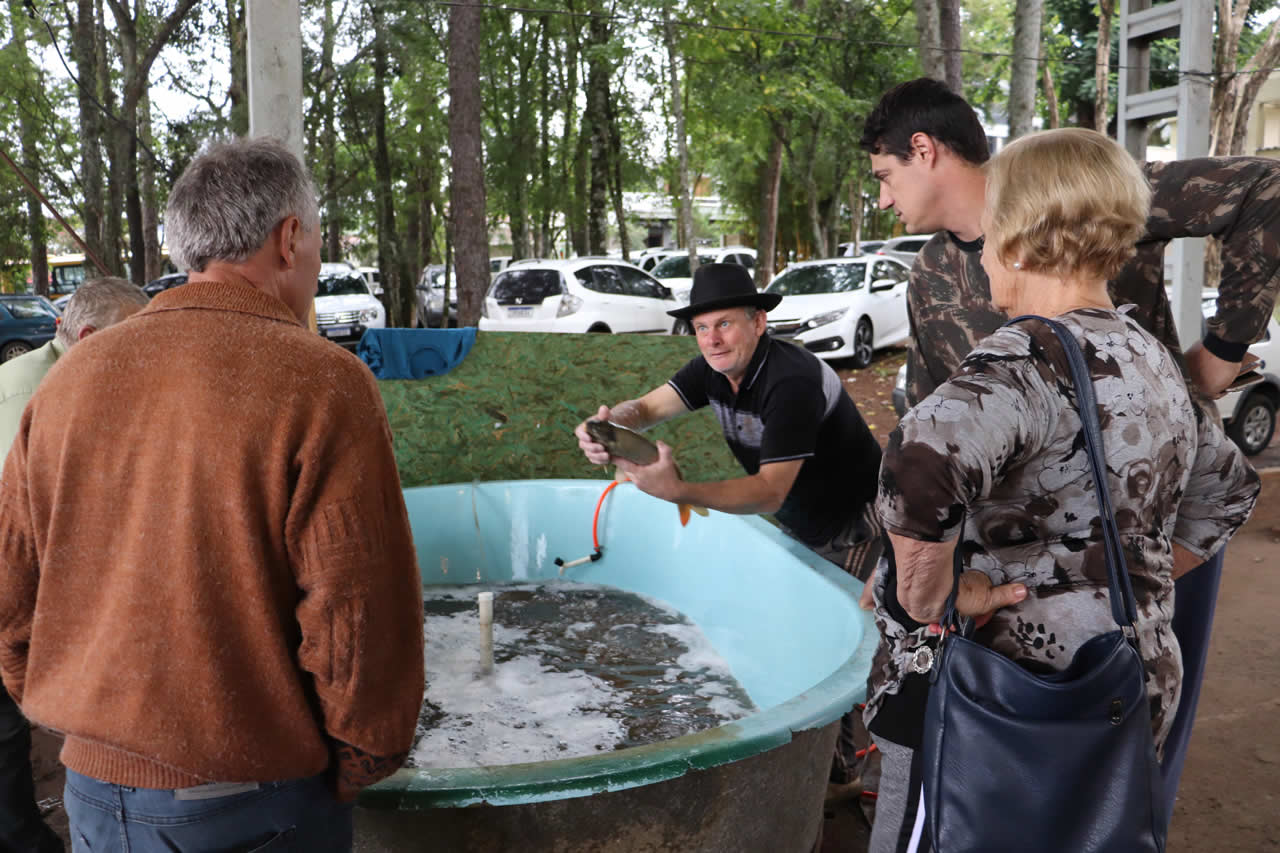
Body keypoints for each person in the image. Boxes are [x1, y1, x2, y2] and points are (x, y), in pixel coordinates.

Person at [858, 76, 1280, 833]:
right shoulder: (1146, 354)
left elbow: (918, 461)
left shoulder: (1023, 356)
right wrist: (1122, 562)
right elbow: (1224, 492)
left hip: (1012, 685)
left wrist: (929, 595)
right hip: (1130, 658)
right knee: (1102, 817)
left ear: (1015, 232)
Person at [0, 137, 425, 852]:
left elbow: (11, 592)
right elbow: (358, 617)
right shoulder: (324, 383)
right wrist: (359, 761)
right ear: (290, 239)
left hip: (94, 800)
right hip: (257, 805)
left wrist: (79, 718)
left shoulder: (69, 378)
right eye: (316, 238)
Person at [574, 262, 884, 789]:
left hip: (862, 526)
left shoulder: (792, 381)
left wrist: (682, 492)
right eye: (701, 327)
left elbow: (769, 491)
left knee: (854, 657)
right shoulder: (711, 369)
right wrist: (610, 427)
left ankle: (854, 784)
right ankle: (826, 780)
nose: (712, 339)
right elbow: (647, 406)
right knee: (805, 646)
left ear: (759, 322)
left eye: (725, 324)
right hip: (802, 526)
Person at [0, 276, 147, 853]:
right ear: (87, 336)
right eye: (134, 343)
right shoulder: (34, 403)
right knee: (7, 735)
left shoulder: (53, 370)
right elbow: (26, 539)